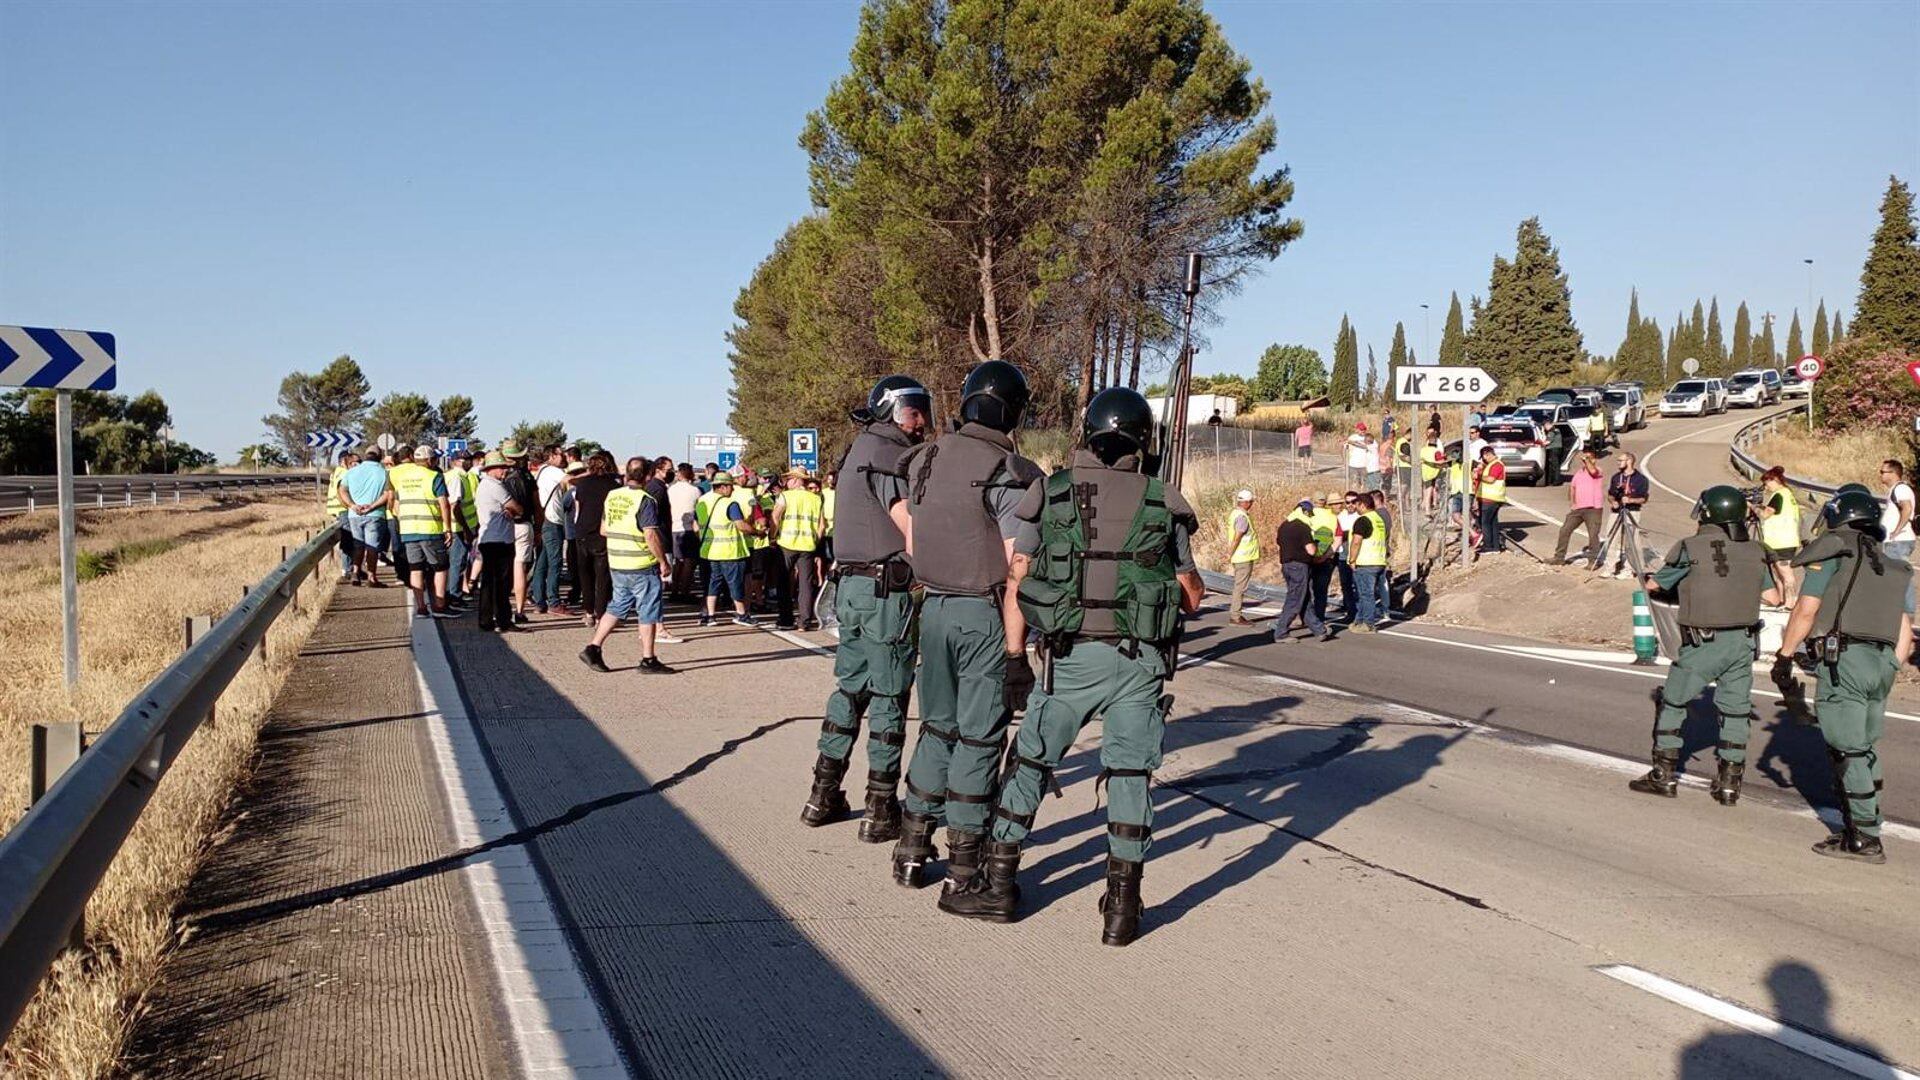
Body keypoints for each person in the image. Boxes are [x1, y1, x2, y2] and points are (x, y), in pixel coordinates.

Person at [938, 387, 1203, 945]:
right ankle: (1123, 907)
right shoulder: (1163, 499)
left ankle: (999, 883)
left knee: (1030, 764)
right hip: (1139, 663)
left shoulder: (1050, 493)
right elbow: (1191, 595)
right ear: (1142, 439)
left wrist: (1015, 657)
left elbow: (1018, 577)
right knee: (1131, 774)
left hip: (1069, 659)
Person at [893, 361, 1044, 896]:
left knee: (936, 727)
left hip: (932, 607)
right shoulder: (1008, 470)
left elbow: (909, 528)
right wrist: (1016, 650)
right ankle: (964, 862)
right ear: (1011, 409)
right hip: (982, 613)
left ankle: (912, 846)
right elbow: (1017, 568)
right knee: (979, 737)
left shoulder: (922, 459)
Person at [799, 375, 932, 842]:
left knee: (849, 689)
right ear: (897, 413)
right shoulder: (888, 455)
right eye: (918, 413)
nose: (923, 424)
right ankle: (880, 809)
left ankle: (823, 792)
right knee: (890, 698)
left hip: (853, 588)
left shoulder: (859, 450)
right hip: (884, 594)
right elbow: (909, 526)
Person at [1776, 490, 1914, 862]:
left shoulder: (1833, 554)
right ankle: (1868, 823)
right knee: (1865, 746)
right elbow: (1905, 627)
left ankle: (1863, 838)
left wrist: (1785, 656)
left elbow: (1806, 611)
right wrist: (1891, 667)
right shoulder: (1891, 565)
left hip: (1846, 661)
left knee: (1847, 749)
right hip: (1882, 662)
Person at [1629, 486, 1769, 805]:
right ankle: (1729, 785)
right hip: (1743, 643)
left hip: (1703, 642)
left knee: (1673, 702)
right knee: (1735, 712)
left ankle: (1664, 775)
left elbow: (1654, 585)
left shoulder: (1689, 547)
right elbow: (1774, 597)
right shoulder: (1756, 550)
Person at [579, 461, 676, 675]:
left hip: (617, 561)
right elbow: (650, 534)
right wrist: (662, 561)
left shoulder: (613, 496)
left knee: (617, 606)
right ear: (648, 476)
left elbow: (604, 529)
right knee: (648, 610)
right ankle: (648, 659)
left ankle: (593, 647)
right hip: (641, 563)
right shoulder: (645, 500)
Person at [391, 444, 458, 619]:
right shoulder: (434, 476)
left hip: (408, 530)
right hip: (430, 530)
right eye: (434, 459)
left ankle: (421, 608)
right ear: (429, 460)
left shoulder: (403, 478)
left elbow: (395, 505)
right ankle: (440, 605)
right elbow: (444, 504)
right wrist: (448, 528)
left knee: (415, 568)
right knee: (440, 568)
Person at [472, 452, 522, 633]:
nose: (505, 471)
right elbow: (516, 507)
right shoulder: (495, 487)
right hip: (499, 539)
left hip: (490, 537)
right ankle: (503, 619)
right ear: (492, 469)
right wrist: (516, 511)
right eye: (502, 467)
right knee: (501, 583)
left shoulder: (484, 485)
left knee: (489, 582)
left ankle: (487, 619)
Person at [569, 451, 620, 627]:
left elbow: (579, 505)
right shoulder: (614, 486)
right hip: (603, 532)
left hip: (583, 531)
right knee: (603, 576)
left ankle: (588, 612)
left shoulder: (582, 484)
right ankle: (601, 615)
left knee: (585, 574)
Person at [699, 471, 755, 627]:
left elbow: (696, 525)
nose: (733, 490)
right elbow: (741, 526)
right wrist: (756, 532)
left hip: (709, 551)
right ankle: (742, 614)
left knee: (713, 583)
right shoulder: (730, 504)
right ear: (723, 487)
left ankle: (710, 616)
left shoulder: (701, 501)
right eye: (731, 486)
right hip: (729, 551)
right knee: (735, 584)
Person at [772, 467, 825, 630]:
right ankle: (805, 621)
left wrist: (772, 537)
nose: (787, 482)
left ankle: (786, 619)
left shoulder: (785, 496)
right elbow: (822, 525)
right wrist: (815, 541)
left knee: (783, 582)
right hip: (807, 545)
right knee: (806, 584)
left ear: (795, 480)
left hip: (786, 544)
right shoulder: (816, 499)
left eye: (788, 479)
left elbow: (775, 516)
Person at [1274, 500, 1332, 643]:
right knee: (1295, 599)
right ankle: (1281, 632)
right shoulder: (1302, 527)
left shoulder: (1284, 526)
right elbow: (1311, 550)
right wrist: (1319, 546)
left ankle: (1319, 629)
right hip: (1299, 567)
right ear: (1305, 512)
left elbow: (1279, 543)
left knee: (1303, 598)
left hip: (1286, 565)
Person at [340, 447, 394, 587]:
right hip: (375, 515)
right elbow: (387, 494)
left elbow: (342, 490)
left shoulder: (352, 472)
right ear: (380, 456)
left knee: (358, 544)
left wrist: (352, 505)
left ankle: (356, 572)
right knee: (372, 547)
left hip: (354, 514)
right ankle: (371, 577)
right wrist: (372, 506)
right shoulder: (383, 473)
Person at [499, 442, 537, 624]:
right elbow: (538, 506)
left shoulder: (501, 479)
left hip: (505, 525)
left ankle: (501, 608)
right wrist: (538, 529)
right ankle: (520, 611)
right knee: (520, 567)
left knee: (502, 568)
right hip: (524, 525)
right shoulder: (528, 477)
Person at [1755, 466, 1803, 607]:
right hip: (1782, 541)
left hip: (1782, 542)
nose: (1766, 487)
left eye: (1766, 483)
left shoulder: (1779, 495)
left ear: (1773, 480)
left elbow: (1765, 514)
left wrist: (1753, 507)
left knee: (1786, 574)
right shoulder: (1788, 494)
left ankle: (1790, 603)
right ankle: (1782, 601)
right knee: (1779, 574)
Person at [531, 445, 570, 616]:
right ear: (552, 456)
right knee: (555, 563)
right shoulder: (553, 471)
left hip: (544, 520)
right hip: (552, 521)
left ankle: (539, 600)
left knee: (542, 562)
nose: (564, 458)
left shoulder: (541, 471)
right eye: (561, 454)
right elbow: (570, 479)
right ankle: (553, 601)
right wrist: (589, 475)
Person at [1552, 451, 1606, 566]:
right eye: (1584, 458)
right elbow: (1572, 488)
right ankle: (1559, 557)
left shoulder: (1598, 470)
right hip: (1578, 508)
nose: (1585, 460)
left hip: (1593, 508)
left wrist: (1587, 460)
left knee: (1593, 535)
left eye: (1589, 458)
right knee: (1565, 530)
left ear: (1594, 460)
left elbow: (1593, 471)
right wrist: (1572, 503)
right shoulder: (1579, 473)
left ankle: (1593, 560)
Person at [1348, 492, 1390, 631]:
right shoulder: (1378, 519)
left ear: (1363, 505)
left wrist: (1352, 559)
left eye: (1357, 504)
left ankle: (1368, 624)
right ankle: (1359, 621)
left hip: (1366, 562)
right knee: (1364, 594)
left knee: (1366, 595)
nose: (1355, 507)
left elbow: (1356, 542)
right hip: (1379, 561)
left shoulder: (1363, 520)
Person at [1605, 450, 1650, 577]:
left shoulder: (1641, 479)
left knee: (1631, 540)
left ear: (1629, 461)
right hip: (1616, 511)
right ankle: (1610, 566)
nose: (1618, 463)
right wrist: (1613, 501)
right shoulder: (1616, 477)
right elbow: (1610, 495)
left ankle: (1629, 568)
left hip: (1632, 511)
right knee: (1611, 537)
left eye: (1621, 460)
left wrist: (1630, 500)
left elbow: (1643, 498)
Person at [1880, 459, 1915, 614]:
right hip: (1895, 541)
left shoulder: (1901, 489)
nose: (1880, 475)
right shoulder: (1896, 489)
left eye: (1883, 472)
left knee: (1900, 578)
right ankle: (1897, 612)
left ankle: (1906, 614)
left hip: (1898, 541)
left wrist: (1895, 531)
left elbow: (1907, 508)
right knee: (1894, 578)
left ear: (1893, 473)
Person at [444, 451, 479, 602]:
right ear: (456, 461)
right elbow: (455, 507)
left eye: (470, 459)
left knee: (460, 562)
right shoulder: (457, 478)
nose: (469, 462)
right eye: (465, 459)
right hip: (459, 527)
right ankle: (454, 596)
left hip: (464, 526)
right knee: (458, 563)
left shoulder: (462, 476)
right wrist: (465, 529)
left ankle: (455, 593)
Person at [668, 463, 702, 601]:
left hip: (674, 528)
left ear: (679, 474)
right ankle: (685, 591)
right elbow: (698, 510)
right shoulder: (695, 491)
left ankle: (674, 590)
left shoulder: (670, 490)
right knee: (690, 562)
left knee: (678, 561)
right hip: (689, 528)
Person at [1225, 489, 1259, 626]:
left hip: (1240, 556)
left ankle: (1236, 615)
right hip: (1243, 557)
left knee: (1239, 586)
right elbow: (1237, 537)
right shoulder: (1242, 518)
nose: (1251, 504)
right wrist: (1230, 553)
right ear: (1245, 502)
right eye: (1250, 502)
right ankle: (1236, 616)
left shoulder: (1235, 513)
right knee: (1240, 587)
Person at [1306, 493, 1340, 625]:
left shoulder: (1307, 515)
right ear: (1326, 502)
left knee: (1306, 590)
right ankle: (1319, 618)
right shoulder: (1333, 517)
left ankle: (1307, 617)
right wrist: (1325, 556)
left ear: (1313, 502)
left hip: (1309, 558)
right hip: (1326, 559)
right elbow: (1337, 540)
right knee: (1321, 591)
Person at [328, 449, 358, 581]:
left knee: (347, 539)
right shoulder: (344, 473)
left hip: (338, 510)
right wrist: (350, 505)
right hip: (343, 509)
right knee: (348, 539)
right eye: (350, 461)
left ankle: (349, 567)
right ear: (344, 461)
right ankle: (347, 568)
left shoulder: (336, 472)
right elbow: (342, 492)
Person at [1333, 491, 1361, 618]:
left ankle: (1358, 610)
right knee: (1345, 583)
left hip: (1356, 555)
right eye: (1347, 502)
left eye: (1353, 502)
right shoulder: (1341, 516)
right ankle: (1349, 608)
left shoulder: (1360, 516)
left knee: (1357, 583)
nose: (1350, 505)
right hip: (1342, 554)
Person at [1474, 446, 1506, 554]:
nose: (1484, 459)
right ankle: (1495, 547)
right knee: (1492, 523)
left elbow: (1491, 479)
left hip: (1490, 498)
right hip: (1492, 498)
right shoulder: (1491, 465)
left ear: (1488, 454)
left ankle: (1488, 546)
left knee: (1485, 523)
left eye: (1484, 457)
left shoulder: (1496, 465)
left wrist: (1478, 475)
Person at [1344, 423, 1375, 492]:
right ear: (1357, 430)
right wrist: (1344, 460)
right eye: (1361, 430)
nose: (1363, 431)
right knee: (1354, 483)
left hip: (1365, 465)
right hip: (1353, 464)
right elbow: (1345, 448)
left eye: (1364, 429)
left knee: (1364, 483)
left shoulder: (1369, 438)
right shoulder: (1352, 437)